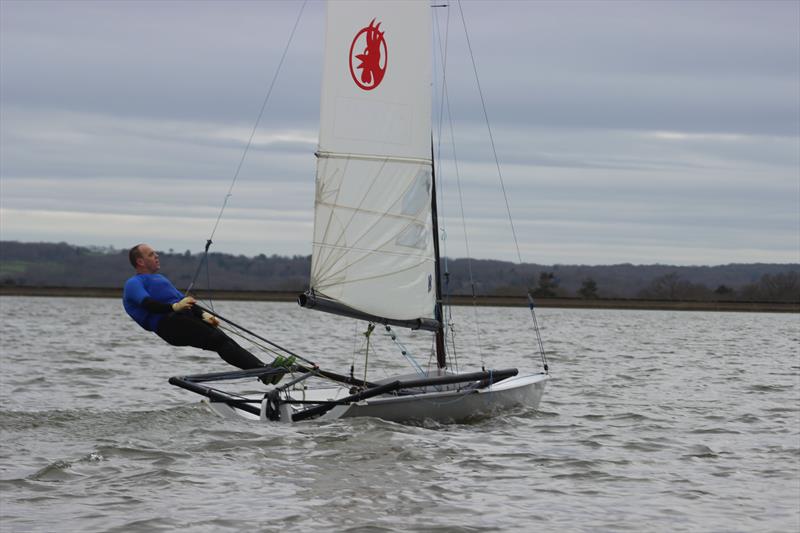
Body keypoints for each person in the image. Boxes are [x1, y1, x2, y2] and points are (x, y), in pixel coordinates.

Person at [123, 243, 291, 382]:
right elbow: (148, 304)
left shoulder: (161, 279)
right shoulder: (133, 283)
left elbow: (185, 301)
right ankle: (263, 372)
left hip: (182, 317)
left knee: (225, 340)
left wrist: (203, 314)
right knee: (218, 340)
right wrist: (174, 307)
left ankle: (264, 370)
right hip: (168, 325)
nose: (157, 256)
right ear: (140, 261)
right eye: (152, 254)